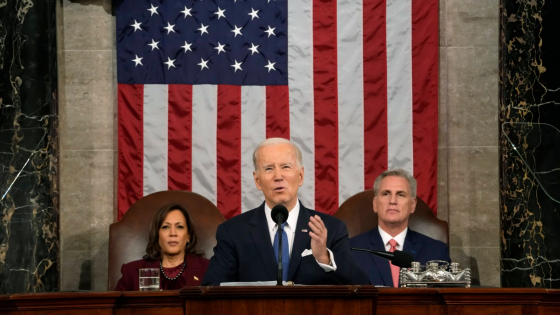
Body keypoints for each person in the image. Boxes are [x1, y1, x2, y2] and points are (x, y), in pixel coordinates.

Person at [202, 138, 369, 285]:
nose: (278, 176)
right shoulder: (233, 232)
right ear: (257, 181)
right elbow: (211, 289)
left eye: (285, 167)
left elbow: (361, 288)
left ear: (301, 176)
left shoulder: (331, 229)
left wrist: (324, 258)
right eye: (268, 168)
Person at [349, 168, 451, 287]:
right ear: (375, 204)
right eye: (386, 194)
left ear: (412, 205)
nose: (392, 201)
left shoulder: (436, 251)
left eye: (401, 194)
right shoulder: (351, 250)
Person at [114, 204, 209, 290]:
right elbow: (114, 308)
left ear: (189, 235)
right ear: (157, 235)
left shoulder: (208, 269)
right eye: (165, 227)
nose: (173, 233)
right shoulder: (132, 271)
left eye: (179, 227)